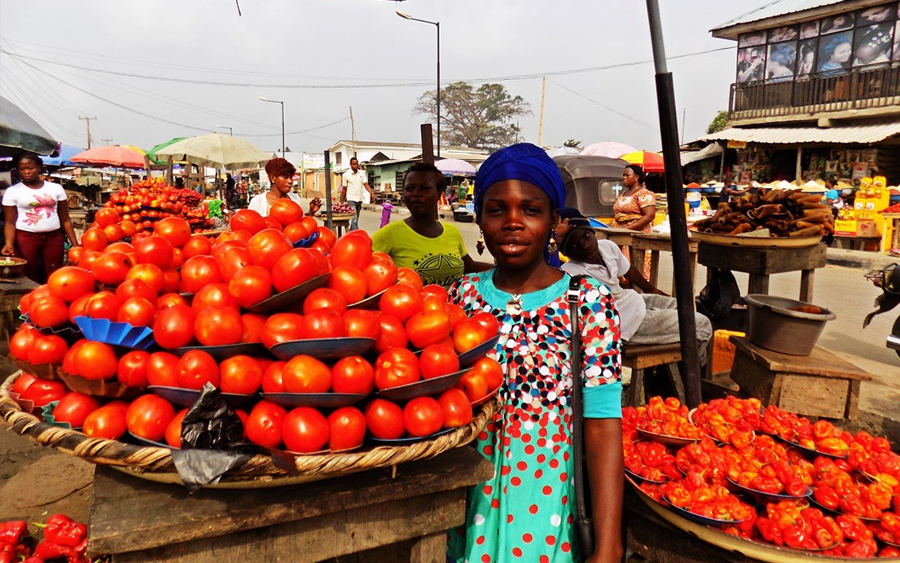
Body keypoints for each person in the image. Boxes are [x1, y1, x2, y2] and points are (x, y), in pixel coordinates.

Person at [447, 143, 623, 563]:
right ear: (479, 219)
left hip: (547, 506)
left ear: (554, 221)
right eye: (496, 210)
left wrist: (609, 544)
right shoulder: (460, 299)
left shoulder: (588, 302)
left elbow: (603, 425)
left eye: (530, 210)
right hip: (465, 499)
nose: (513, 222)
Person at [556, 208, 712, 363]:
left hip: (632, 300)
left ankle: (665, 370)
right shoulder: (570, 273)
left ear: (592, 232)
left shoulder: (607, 247)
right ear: (567, 253)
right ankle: (694, 372)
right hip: (623, 321)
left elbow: (628, 270)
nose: (584, 245)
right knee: (701, 324)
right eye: (574, 246)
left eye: (586, 236)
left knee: (685, 307)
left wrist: (650, 289)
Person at [372, 163, 490, 288]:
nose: (416, 193)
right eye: (409, 188)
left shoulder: (452, 232)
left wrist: (501, 269)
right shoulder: (389, 234)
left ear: (439, 194)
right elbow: (364, 274)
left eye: (424, 188)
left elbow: (470, 267)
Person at [2, 154, 79, 283]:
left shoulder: (55, 188)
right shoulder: (13, 191)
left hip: (54, 237)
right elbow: (10, 222)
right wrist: (9, 243)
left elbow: (65, 218)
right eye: (22, 169)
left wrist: (75, 244)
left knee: (54, 273)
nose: (26, 172)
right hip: (26, 238)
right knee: (28, 274)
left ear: (39, 167)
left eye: (30, 168)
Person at [249, 157, 320, 217]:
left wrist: (311, 212)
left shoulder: (295, 199)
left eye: (291, 177)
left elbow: (300, 226)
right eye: (285, 177)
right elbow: (251, 225)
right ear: (272, 177)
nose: (290, 181)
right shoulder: (258, 201)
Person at [612, 164, 655, 232]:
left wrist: (627, 229)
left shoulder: (643, 194)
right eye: (623, 175)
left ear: (636, 177)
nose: (624, 178)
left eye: (627, 175)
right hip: (620, 232)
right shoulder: (623, 194)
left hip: (637, 234)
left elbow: (649, 216)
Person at [342, 157, 374, 230]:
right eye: (353, 164)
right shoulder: (346, 175)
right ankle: (357, 233)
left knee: (356, 219)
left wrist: (371, 193)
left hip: (359, 199)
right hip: (351, 199)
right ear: (350, 165)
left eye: (356, 164)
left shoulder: (361, 173)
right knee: (354, 218)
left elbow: (366, 184)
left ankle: (351, 232)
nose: (355, 166)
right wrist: (342, 201)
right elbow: (344, 188)